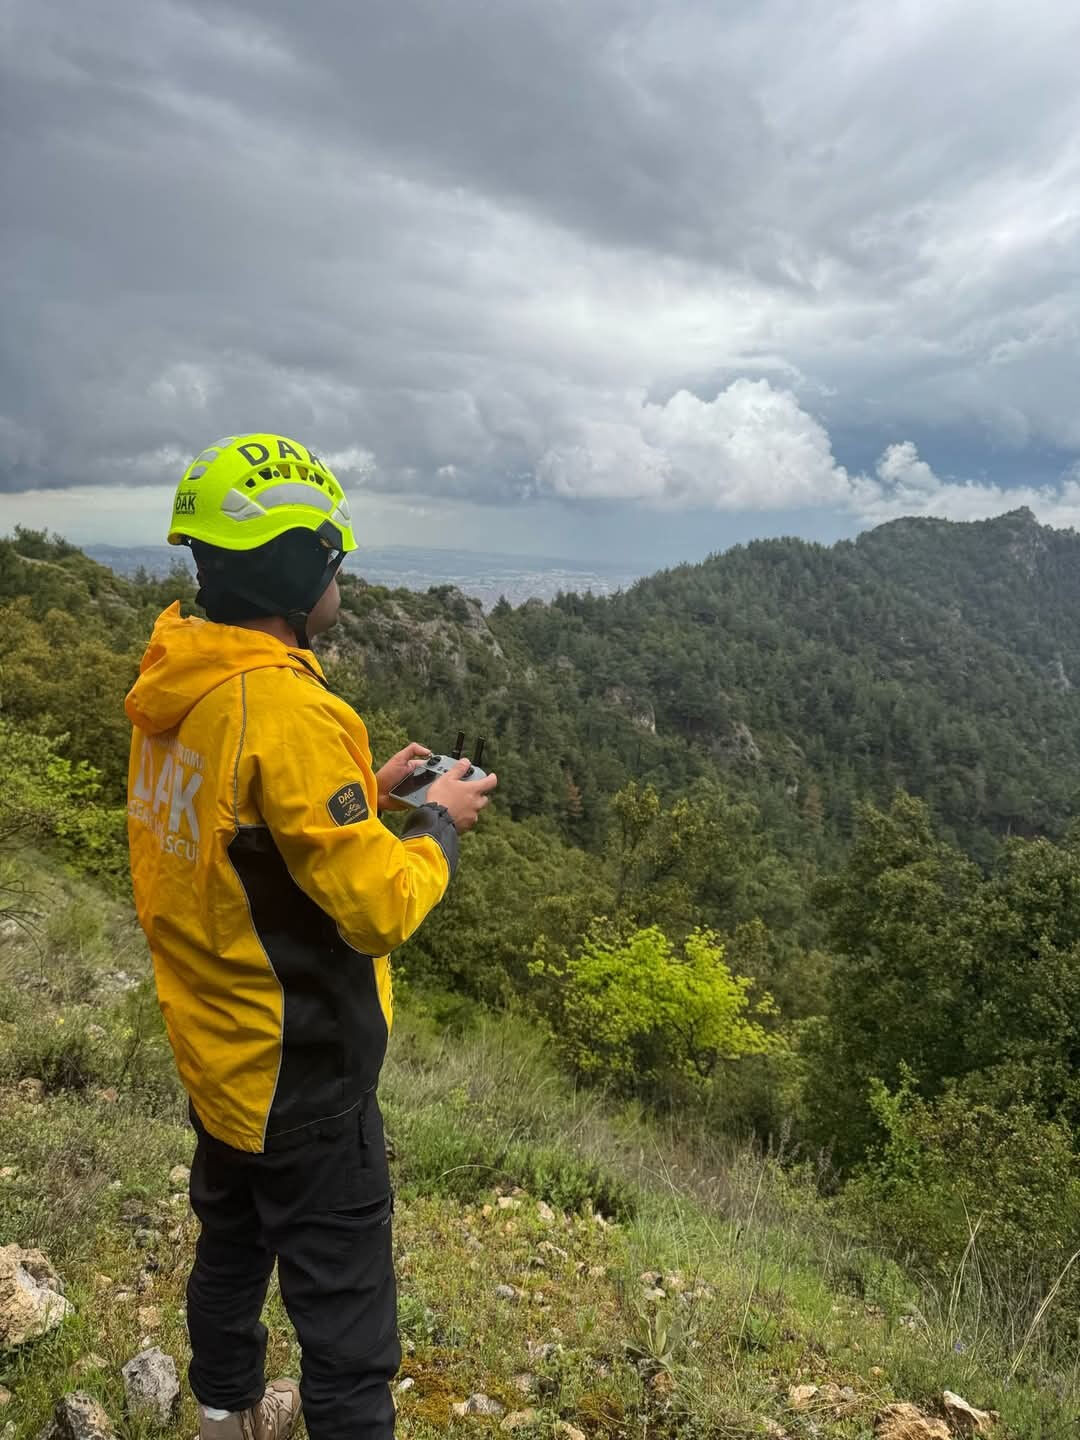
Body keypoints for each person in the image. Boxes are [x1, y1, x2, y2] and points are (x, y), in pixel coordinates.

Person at [125, 433, 497, 1440]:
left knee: (232, 1252)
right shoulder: (287, 707)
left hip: (216, 1051)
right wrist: (434, 826)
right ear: (295, 567)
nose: (341, 572)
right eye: (332, 555)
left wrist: (361, 797)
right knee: (347, 1335)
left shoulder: (180, 683)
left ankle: (223, 1419)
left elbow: (236, 843)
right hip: (303, 1073)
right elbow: (375, 908)